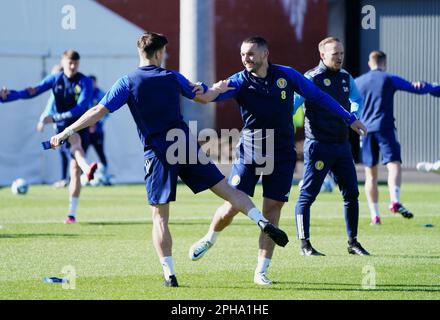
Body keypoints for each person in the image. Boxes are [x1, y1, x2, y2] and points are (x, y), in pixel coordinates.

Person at [49, 32, 289, 288]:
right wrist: (215, 88)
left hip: (157, 152)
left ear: (141, 53)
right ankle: (262, 222)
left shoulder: (127, 81)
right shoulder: (173, 77)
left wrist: (67, 131)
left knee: (160, 218)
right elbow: (202, 96)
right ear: (159, 53)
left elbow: (98, 111)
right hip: (184, 144)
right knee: (228, 191)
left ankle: (170, 275)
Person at [189, 36, 368, 285]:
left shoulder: (288, 75)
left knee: (272, 211)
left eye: (250, 54)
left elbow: (319, 97)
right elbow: (210, 96)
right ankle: (210, 237)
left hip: (282, 154)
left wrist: (349, 118)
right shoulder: (239, 81)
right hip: (250, 151)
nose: (245, 59)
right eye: (242, 54)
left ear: (265, 54)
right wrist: (198, 89)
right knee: (233, 204)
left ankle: (261, 271)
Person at [0, 50, 98, 224]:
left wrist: (54, 117)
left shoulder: (85, 81)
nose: (73, 66)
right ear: (63, 61)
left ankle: (71, 213)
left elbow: (82, 108)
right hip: (63, 129)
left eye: (76, 63)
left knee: (74, 168)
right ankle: (87, 169)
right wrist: (6, 97)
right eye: (70, 62)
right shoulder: (55, 79)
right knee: (76, 145)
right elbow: (31, 92)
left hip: (81, 124)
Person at [293, 37, 370, 257]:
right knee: (308, 196)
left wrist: (354, 115)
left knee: (352, 194)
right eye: (335, 53)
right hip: (318, 145)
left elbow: (357, 99)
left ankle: (353, 242)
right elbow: (293, 105)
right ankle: (305, 245)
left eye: (341, 53)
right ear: (322, 55)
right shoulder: (311, 78)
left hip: (342, 146)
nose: (339, 57)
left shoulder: (346, 78)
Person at [355, 50, 434, 225]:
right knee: (394, 165)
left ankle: (375, 216)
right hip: (385, 128)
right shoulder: (388, 78)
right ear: (384, 63)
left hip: (365, 131)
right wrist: (430, 87)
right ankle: (394, 200)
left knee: (371, 175)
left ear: (370, 63)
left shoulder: (358, 82)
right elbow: (415, 88)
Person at [36, 64, 69, 188]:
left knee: (67, 151)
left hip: (64, 124)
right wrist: (42, 120)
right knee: (64, 150)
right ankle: (66, 178)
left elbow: (50, 106)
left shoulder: (63, 89)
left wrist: (42, 121)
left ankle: (69, 178)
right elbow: (50, 106)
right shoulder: (59, 89)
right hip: (60, 124)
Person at [83, 75, 112, 185]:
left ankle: (104, 175)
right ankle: (83, 175)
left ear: (95, 83)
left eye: (93, 83)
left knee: (101, 153)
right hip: (85, 131)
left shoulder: (101, 94)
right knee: (82, 153)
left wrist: (96, 123)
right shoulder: (84, 93)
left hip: (97, 132)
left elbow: (106, 112)